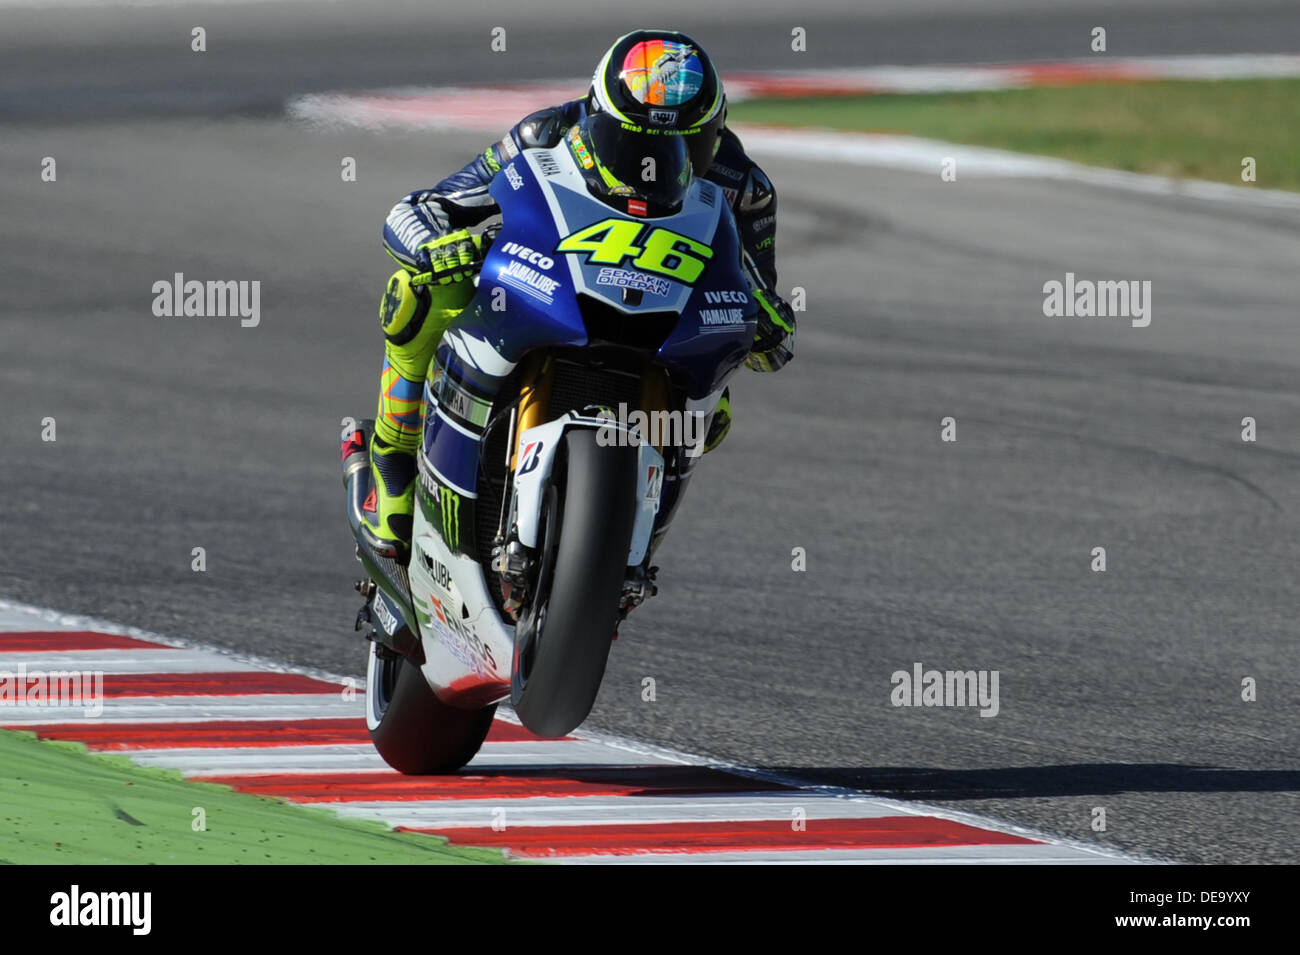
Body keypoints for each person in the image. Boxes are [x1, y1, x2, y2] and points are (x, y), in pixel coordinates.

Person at [362, 29, 797, 561]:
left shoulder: (743, 186)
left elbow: (763, 319)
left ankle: (629, 540)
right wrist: (437, 246)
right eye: (635, 143)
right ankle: (394, 459)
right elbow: (424, 208)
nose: (655, 165)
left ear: (716, 132)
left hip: (667, 315)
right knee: (416, 293)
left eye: (688, 143)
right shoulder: (544, 132)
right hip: (550, 283)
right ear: (597, 116)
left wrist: (769, 323)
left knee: (719, 405)